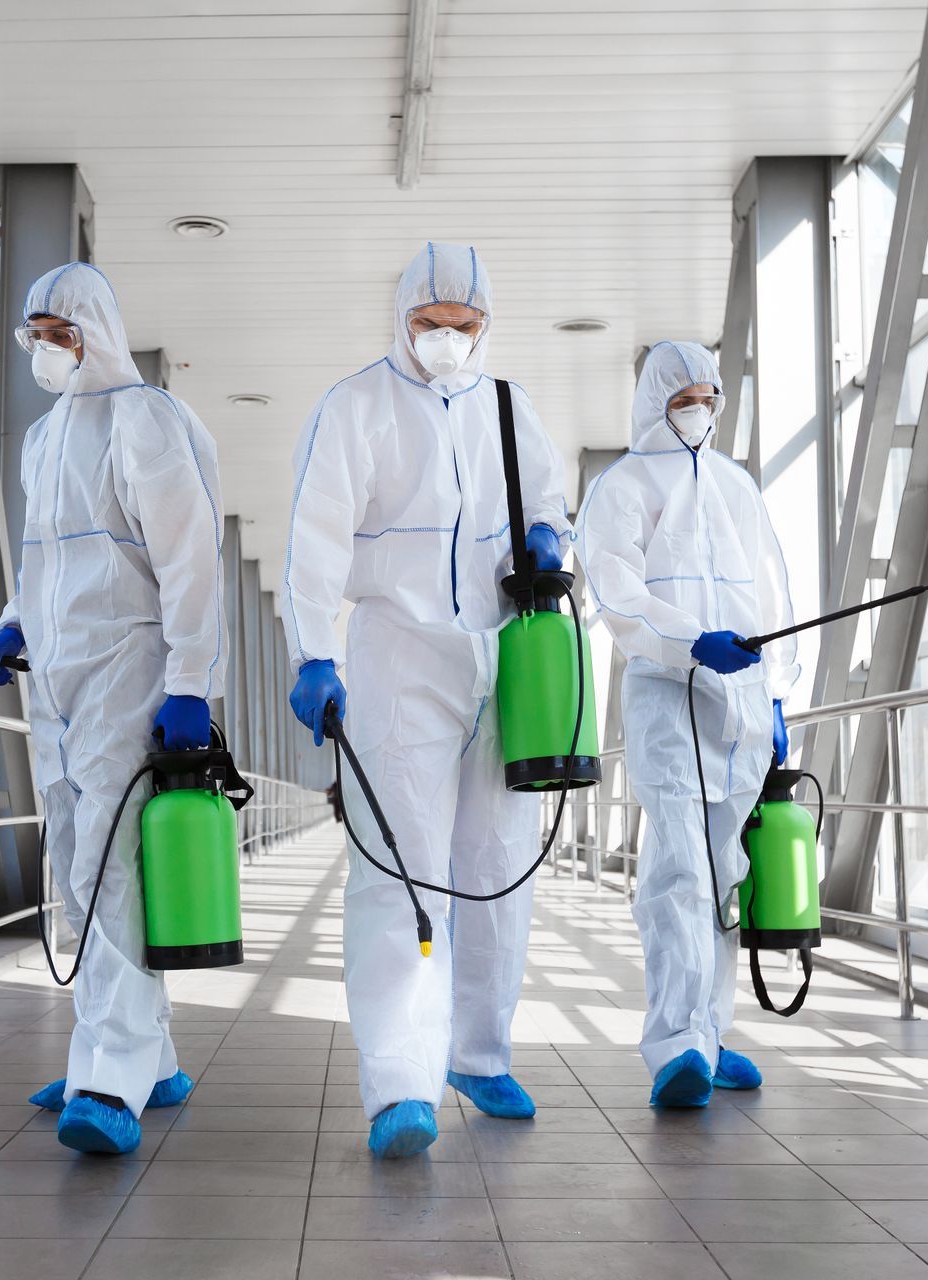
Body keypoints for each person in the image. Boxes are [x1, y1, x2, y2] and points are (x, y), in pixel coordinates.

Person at [282, 242, 570, 1157]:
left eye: (464, 326)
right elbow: (316, 542)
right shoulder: (357, 406)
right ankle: (403, 1081)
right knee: (402, 871)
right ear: (402, 318)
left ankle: (479, 1052)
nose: (447, 340)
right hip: (397, 657)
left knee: (495, 864)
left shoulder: (508, 407)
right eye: (429, 324)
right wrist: (313, 652)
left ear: (486, 325)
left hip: (503, 655)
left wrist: (550, 541)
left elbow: (555, 507)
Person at [0, 262, 224, 1154]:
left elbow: (191, 561)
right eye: (34, 333)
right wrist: (9, 626)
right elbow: (43, 559)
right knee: (78, 860)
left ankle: (108, 1076)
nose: (45, 349)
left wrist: (190, 681)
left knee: (112, 867)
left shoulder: (143, 419)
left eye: (59, 333)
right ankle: (145, 1059)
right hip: (59, 674)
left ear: (96, 333)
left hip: (129, 662)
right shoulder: (45, 437)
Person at [573, 340, 797, 1109]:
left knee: (727, 873)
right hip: (671, 698)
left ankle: (711, 1029)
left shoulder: (737, 486)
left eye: (708, 397)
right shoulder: (624, 485)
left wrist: (777, 692)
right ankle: (675, 1045)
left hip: (741, 707)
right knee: (678, 869)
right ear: (655, 402)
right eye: (683, 398)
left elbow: (773, 596)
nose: (698, 410)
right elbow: (615, 588)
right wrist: (686, 638)